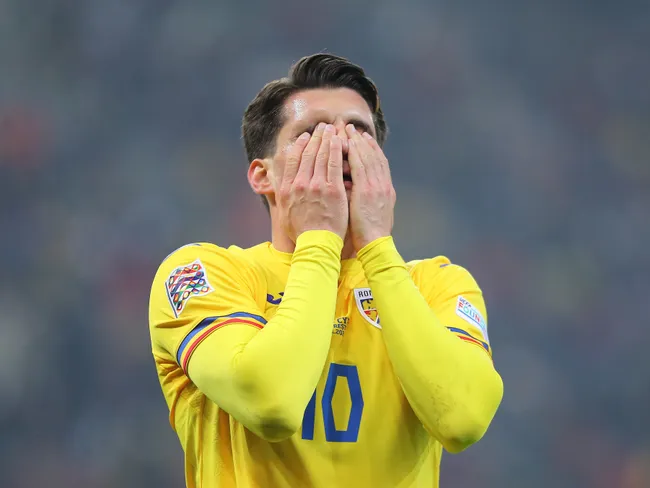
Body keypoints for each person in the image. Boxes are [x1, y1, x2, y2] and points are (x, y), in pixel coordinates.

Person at [148, 53, 503, 488]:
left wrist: (377, 249)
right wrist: (319, 240)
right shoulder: (205, 273)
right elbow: (272, 404)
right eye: (313, 134)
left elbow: (463, 420)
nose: (340, 147)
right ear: (262, 175)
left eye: (359, 132)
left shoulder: (437, 285)